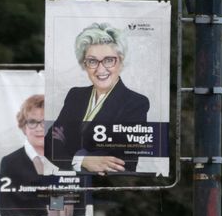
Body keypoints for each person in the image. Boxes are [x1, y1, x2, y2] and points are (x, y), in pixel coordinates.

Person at [48, 23, 150, 174]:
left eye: (109, 60)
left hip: (110, 187)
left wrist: (69, 148)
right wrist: (83, 159)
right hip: (73, 185)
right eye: (92, 61)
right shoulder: (75, 96)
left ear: (121, 62)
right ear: (84, 64)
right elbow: (50, 145)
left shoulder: (136, 103)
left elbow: (118, 159)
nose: (100, 69)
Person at [0, 94, 75, 216]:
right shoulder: (9, 163)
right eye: (32, 122)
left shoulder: (66, 162)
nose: (39, 128)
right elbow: (8, 209)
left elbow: (71, 208)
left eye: (44, 122)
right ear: (23, 126)